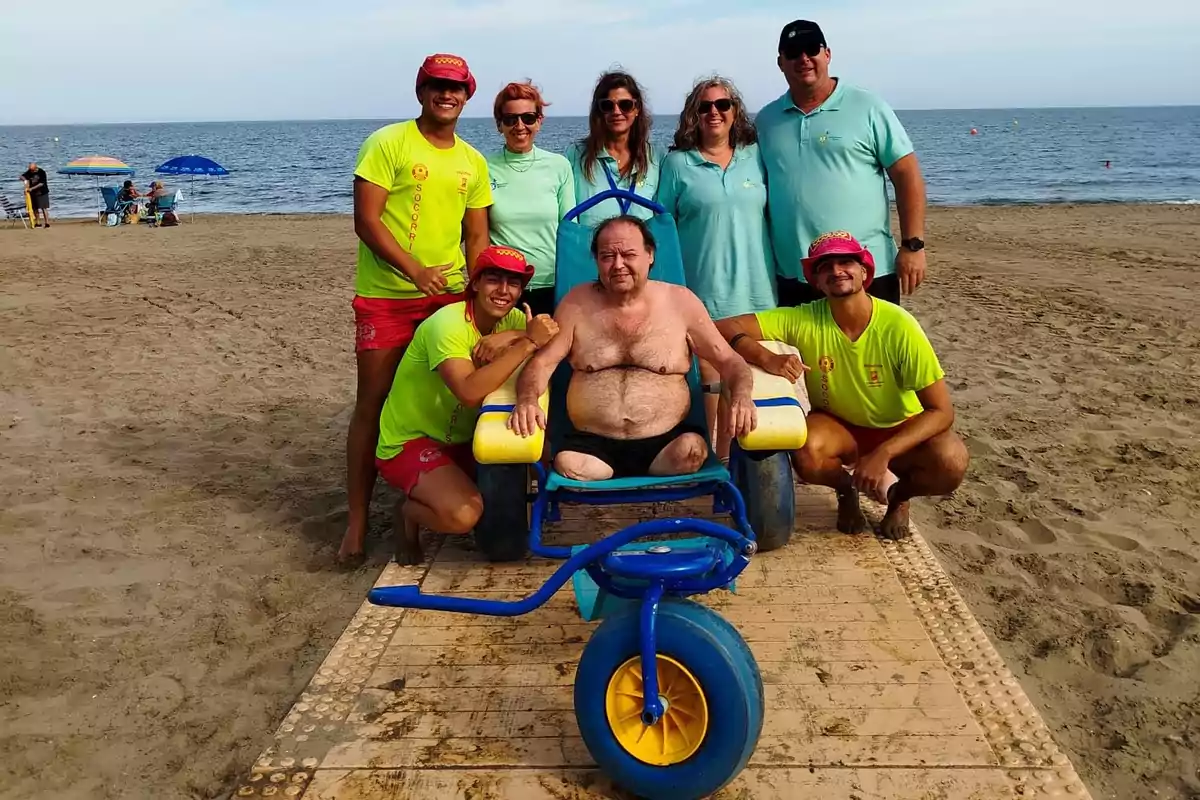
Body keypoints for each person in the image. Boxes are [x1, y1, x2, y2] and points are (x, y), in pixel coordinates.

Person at [339, 53, 494, 564]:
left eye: (456, 87)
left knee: (444, 397)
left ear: (468, 95)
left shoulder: (473, 161)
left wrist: (476, 293)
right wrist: (414, 271)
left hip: (448, 299)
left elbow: (476, 237)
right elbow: (367, 220)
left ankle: (430, 485)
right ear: (421, 89)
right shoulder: (388, 143)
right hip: (387, 298)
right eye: (437, 85)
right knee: (374, 402)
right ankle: (357, 523)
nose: (446, 94)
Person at [715, 231, 968, 540]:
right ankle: (846, 491)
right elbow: (724, 326)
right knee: (806, 452)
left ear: (865, 272)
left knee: (951, 461)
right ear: (816, 281)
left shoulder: (898, 324)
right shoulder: (803, 318)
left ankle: (900, 497)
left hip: (899, 426)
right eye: (825, 266)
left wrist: (884, 453)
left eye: (846, 262)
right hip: (840, 426)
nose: (836, 271)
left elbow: (942, 411)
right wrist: (764, 356)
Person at [509, 216, 756, 481]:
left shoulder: (681, 302)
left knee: (692, 450)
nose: (618, 265)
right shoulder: (576, 304)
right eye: (607, 256)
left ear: (650, 255)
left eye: (628, 254)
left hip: (669, 446)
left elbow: (730, 361)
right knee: (566, 462)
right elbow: (542, 364)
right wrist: (527, 400)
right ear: (596, 261)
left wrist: (742, 396)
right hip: (591, 447)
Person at [375, 246, 559, 564]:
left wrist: (514, 334)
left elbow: (555, 334)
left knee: (539, 452)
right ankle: (408, 511)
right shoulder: (448, 324)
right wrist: (527, 342)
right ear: (474, 283)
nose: (504, 290)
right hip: (410, 440)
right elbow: (469, 392)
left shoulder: (514, 319)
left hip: (464, 438)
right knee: (463, 515)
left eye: (513, 283)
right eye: (494, 279)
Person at [756, 20, 928, 307]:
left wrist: (913, 245)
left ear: (827, 54)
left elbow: (906, 174)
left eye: (812, 49)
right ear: (780, 62)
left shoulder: (868, 107)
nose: (804, 58)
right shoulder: (766, 121)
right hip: (795, 276)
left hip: (866, 272)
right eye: (793, 52)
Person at [656, 75, 778, 462]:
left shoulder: (756, 157)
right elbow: (662, 228)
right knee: (707, 380)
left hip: (756, 288)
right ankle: (710, 461)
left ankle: (736, 463)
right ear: (694, 113)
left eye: (722, 105)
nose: (714, 112)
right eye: (705, 106)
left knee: (744, 378)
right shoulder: (677, 164)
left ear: (734, 111)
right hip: (701, 290)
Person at [485, 80, 575, 318]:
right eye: (510, 119)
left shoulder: (559, 166)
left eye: (528, 118)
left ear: (540, 121)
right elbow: (476, 233)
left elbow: (570, 230)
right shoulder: (483, 168)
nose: (519, 126)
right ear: (499, 124)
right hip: (502, 288)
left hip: (553, 285)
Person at [564, 71, 664, 229]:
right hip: (591, 252)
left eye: (625, 105)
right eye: (607, 105)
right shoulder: (576, 155)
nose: (616, 112)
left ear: (637, 108)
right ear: (599, 111)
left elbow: (663, 219)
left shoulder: (656, 157)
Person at [20, 162, 51, 228]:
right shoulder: (29, 171)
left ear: (35, 168)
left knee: (44, 208)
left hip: (42, 192)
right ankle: (37, 223)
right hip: (33, 193)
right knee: (35, 208)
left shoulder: (41, 172)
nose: (31, 171)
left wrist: (32, 188)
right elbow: (21, 176)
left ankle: (47, 223)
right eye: (30, 170)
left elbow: (41, 184)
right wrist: (25, 180)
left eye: (32, 170)